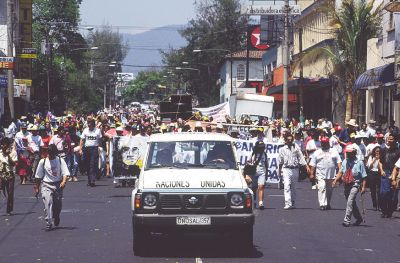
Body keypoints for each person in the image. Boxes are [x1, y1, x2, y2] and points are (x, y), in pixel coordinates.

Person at [34, 144, 69, 230]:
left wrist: (64, 181)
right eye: (49, 153)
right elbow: (38, 176)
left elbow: (65, 173)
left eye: (52, 154)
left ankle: (56, 216)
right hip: (46, 184)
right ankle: (48, 222)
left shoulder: (60, 161)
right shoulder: (43, 161)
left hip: (58, 184)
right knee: (48, 203)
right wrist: (37, 188)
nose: (50, 155)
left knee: (57, 205)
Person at [332, 144, 367, 227]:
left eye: (350, 153)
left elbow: (364, 176)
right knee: (351, 203)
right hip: (347, 184)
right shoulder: (345, 161)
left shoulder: (359, 163)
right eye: (347, 153)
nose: (348, 154)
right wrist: (335, 180)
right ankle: (358, 218)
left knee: (350, 201)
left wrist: (363, 187)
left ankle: (346, 220)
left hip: (355, 184)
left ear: (354, 153)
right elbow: (341, 172)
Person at [309, 137, 342, 210]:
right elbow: (313, 164)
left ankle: (327, 203)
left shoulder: (334, 151)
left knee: (329, 191)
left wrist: (340, 171)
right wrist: (311, 174)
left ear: (328, 143)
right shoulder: (317, 152)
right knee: (322, 188)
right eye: (323, 143)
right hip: (320, 174)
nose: (324, 144)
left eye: (325, 143)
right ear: (321, 143)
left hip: (331, 174)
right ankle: (322, 204)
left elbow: (339, 162)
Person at [278, 133, 309, 209]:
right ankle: (287, 203)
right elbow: (280, 161)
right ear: (285, 141)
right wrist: (279, 170)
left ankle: (293, 202)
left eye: (291, 140)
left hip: (295, 169)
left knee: (294, 187)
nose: (290, 141)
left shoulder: (296, 147)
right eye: (288, 140)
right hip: (286, 169)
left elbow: (301, 157)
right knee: (287, 185)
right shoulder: (282, 149)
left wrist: (306, 166)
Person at [379, 133, 400, 218]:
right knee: (383, 193)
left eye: (391, 139)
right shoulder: (384, 150)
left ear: (395, 140)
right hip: (385, 172)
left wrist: (395, 176)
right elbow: (380, 161)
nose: (389, 140)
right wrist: (381, 170)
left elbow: (397, 165)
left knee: (393, 195)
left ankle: (389, 211)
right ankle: (383, 210)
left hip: (396, 173)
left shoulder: (398, 151)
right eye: (388, 139)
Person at [79, 119, 102, 187]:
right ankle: (89, 179)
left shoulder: (97, 130)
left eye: (90, 123)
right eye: (88, 123)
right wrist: (80, 149)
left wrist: (99, 148)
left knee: (93, 164)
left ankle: (92, 180)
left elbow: (100, 140)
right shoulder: (85, 130)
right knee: (87, 165)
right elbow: (82, 140)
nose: (89, 124)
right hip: (86, 149)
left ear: (93, 124)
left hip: (94, 148)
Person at [248, 141, 268, 209]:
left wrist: (267, 174)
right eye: (260, 147)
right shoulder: (252, 154)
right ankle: (254, 201)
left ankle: (261, 202)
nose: (261, 149)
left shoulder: (264, 154)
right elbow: (248, 163)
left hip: (262, 172)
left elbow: (266, 164)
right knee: (254, 188)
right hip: (254, 173)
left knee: (261, 186)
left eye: (262, 147)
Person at [0, 138, 17, 216]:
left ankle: (9, 210)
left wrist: (8, 155)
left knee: (10, 193)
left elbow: (14, 164)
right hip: (1, 175)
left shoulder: (13, 152)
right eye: (2, 144)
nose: (3, 146)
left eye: (5, 145)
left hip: (10, 175)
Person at [366, 146, 384, 211]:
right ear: (374, 152)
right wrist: (374, 160)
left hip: (378, 174)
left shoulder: (382, 158)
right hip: (372, 173)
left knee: (379, 190)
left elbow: (380, 167)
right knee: (373, 190)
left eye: (379, 151)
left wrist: (379, 160)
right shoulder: (371, 157)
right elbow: (369, 167)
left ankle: (379, 205)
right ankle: (374, 204)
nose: (377, 153)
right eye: (376, 151)